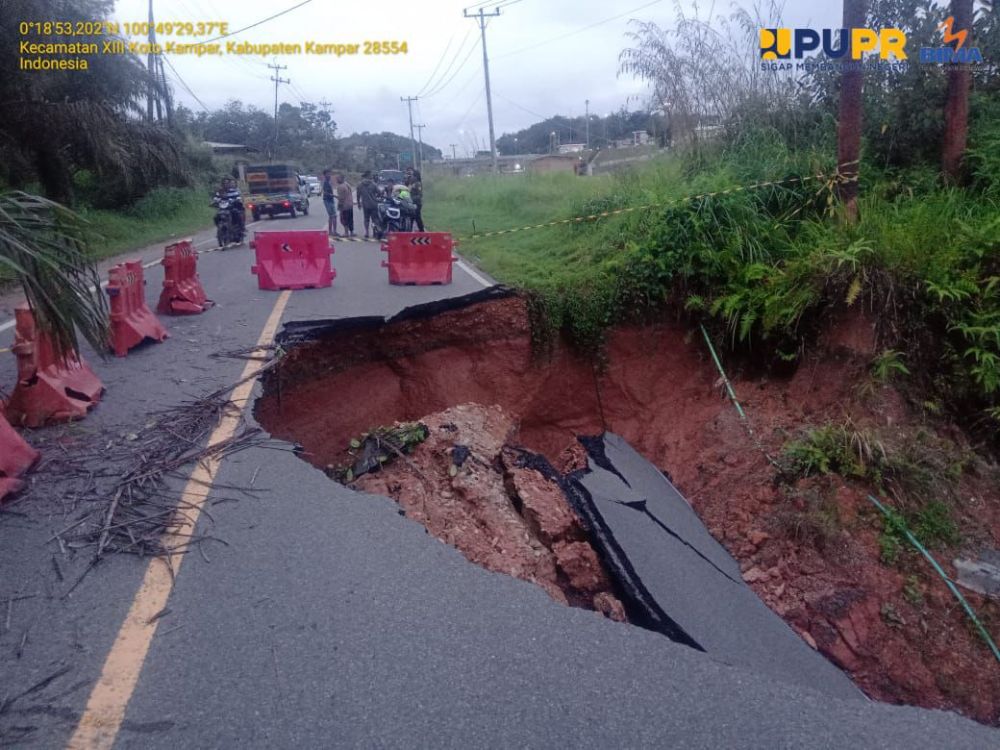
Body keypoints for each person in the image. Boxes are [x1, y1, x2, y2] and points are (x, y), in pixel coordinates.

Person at [356, 170, 380, 239]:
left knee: (366, 219)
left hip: (365, 205)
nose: (372, 176)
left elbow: (358, 195)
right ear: (368, 176)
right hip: (373, 204)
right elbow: (379, 193)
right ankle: (374, 232)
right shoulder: (373, 184)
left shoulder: (360, 185)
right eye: (371, 175)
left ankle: (367, 232)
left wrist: (358, 204)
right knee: (374, 219)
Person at [321, 169, 337, 235]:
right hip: (328, 200)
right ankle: (333, 231)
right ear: (325, 175)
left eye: (330, 174)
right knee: (334, 216)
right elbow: (326, 193)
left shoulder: (327, 182)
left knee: (331, 216)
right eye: (328, 174)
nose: (329, 175)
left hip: (329, 200)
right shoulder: (326, 183)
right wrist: (334, 195)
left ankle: (331, 231)